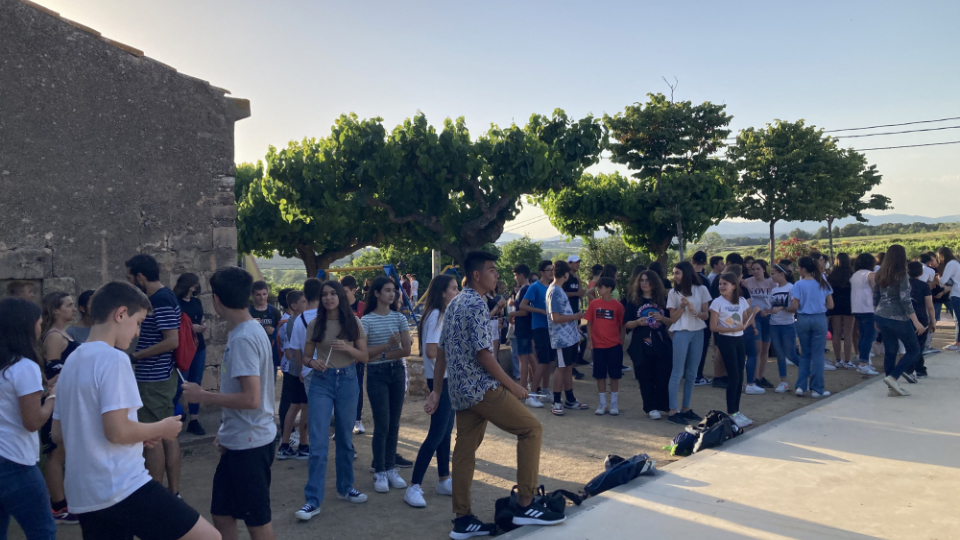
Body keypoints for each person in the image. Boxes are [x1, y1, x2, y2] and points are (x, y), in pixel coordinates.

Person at [53, 281, 219, 540]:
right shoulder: (114, 358)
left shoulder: (72, 359)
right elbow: (117, 431)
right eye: (138, 322)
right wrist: (162, 428)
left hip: (85, 495)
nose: (138, 333)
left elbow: (58, 433)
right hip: (122, 486)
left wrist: (140, 434)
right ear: (120, 314)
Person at [426, 251, 564, 538]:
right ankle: (526, 504)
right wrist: (513, 386)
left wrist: (438, 390)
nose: (496, 275)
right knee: (531, 429)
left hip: (460, 391)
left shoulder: (454, 304)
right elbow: (484, 354)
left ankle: (462, 520)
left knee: (464, 451)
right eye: (492, 271)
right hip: (482, 388)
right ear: (477, 275)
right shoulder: (476, 303)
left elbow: (441, 352)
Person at [181, 267, 277, 540]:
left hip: (251, 444)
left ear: (217, 299)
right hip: (241, 439)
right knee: (222, 513)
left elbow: (251, 398)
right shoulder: (249, 330)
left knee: (257, 523)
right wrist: (226, 432)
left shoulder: (245, 338)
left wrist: (203, 396)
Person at [294, 281, 369, 521]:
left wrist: (347, 347)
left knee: (346, 439)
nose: (328, 298)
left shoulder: (354, 322)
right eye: (324, 294)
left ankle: (345, 488)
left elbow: (364, 356)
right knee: (318, 442)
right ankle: (312, 500)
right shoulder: (316, 324)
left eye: (333, 294)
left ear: (340, 297)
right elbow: (305, 356)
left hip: (347, 380)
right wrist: (310, 362)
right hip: (321, 381)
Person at [0, 298, 58, 540]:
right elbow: (33, 421)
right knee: (42, 531)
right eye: (39, 321)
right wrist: (54, 396)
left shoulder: (7, 365)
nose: (41, 325)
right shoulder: (25, 367)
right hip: (16, 462)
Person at [125, 254, 182, 496]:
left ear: (140, 276)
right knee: (166, 433)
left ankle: (158, 495)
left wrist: (135, 357)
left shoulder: (160, 300)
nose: (128, 282)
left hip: (154, 379)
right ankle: (172, 493)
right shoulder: (161, 297)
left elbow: (172, 341)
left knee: (154, 437)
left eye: (129, 277)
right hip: (159, 377)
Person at [404, 275, 459, 508]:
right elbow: (431, 351)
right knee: (437, 433)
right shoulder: (436, 315)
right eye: (454, 289)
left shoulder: (440, 313)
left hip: (447, 379)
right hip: (441, 380)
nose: (457, 292)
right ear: (442, 292)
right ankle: (414, 486)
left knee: (445, 431)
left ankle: (444, 479)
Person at [362, 277, 412, 494]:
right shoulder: (366, 321)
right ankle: (380, 470)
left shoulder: (399, 317)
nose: (392, 295)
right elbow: (364, 355)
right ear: (376, 293)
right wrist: (387, 347)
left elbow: (407, 350)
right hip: (376, 375)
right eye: (387, 290)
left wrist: (381, 353)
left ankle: (391, 467)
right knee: (382, 423)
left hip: (396, 371)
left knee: (394, 423)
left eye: (394, 291)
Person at [40, 292, 79, 525]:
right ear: (56, 310)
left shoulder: (61, 334)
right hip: (57, 402)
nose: (73, 309)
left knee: (62, 451)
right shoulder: (54, 336)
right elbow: (51, 373)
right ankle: (58, 507)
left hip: (66, 401)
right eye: (69, 305)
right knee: (56, 453)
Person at [873, 245, 925, 397]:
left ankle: (891, 388)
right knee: (914, 349)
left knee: (890, 351)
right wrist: (915, 321)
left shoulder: (880, 273)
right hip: (898, 318)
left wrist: (876, 315)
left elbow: (875, 295)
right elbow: (905, 300)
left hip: (882, 315)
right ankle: (894, 377)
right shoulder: (902, 275)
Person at [710, 272, 759, 429]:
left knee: (740, 376)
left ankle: (737, 411)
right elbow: (713, 326)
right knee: (733, 376)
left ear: (733, 286)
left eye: (725, 284)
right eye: (720, 284)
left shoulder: (742, 301)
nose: (721, 286)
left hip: (739, 339)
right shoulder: (717, 303)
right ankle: (731, 412)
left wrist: (754, 315)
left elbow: (744, 321)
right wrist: (731, 328)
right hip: (726, 340)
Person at [664, 261, 710, 425]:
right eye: (674, 273)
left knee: (692, 373)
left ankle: (686, 408)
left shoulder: (702, 289)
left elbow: (706, 315)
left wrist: (695, 312)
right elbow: (672, 319)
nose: (675, 276)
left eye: (678, 273)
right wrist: (682, 307)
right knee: (677, 372)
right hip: (681, 332)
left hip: (698, 332)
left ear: (686, 273)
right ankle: (672, 410)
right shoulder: (673, 293)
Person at [623, 270, 671, 419]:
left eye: (647, 280)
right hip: (641, 344)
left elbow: (671, 322)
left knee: (662, 374)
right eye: (641, 280)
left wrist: (662, 318)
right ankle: (650, 407)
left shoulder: (663, 299)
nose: (644, 283)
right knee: (645, 376)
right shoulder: (633, 301)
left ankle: (663, 405)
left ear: (654, 282)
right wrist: (638, 322)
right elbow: (626, 324)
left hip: (661, 342)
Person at [285, 279, 323, 460]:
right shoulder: (328, 316)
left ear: (305, 296)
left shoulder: (299, 320)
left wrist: (301, 369)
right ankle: (310, 445)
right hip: (328, 368)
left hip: (308, 370)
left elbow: (296, 350)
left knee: (309, 409)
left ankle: (307, 445)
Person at [546, 260, 588, 416]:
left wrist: (574, 326)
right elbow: (555, 317)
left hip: (568, 337)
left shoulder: (559, 290)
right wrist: (575, 317)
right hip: (561, 338)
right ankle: (557, 401)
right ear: (566, 273)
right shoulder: (555, 291)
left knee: (568, 367)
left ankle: (570, 399)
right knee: (562, 367)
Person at [789, 257, 834, 399]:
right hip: (819, 317)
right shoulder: (822, 282)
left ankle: (801, 386)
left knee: (805, 354)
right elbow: (831, 305)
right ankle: (817, 388)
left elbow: (795, 306)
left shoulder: (798, 284)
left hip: (803, 318)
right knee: (818, 355)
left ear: (803, 269)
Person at [172, 274, 208, 436]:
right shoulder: (176, 303)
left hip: (198, 346)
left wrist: (202, 325)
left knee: (196, 382)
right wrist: (190, 328)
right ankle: (172, 416)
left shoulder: (197, 301)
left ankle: (194, 419)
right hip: (184, 348)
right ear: (189, 285)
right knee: (181, 383)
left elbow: (200, 317)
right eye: (195, 284)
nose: (197, 287)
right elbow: (176, 325)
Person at [585, 277, 625, 416]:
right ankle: (602, 403)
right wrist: (590, 340)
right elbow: (589, 322)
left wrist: (622, 342)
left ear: (609, 289)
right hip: (598, 346)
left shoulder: (618, 306)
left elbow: (622, 325)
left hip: (614, 345)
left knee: (615, 375)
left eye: (600, 287)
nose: (598, 289)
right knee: (599, 375)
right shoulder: (594, 304)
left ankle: (614, 402)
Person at [522, 260, 556, 406]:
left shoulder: (552, 287)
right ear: (541, 272)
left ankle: (546, 391)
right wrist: (540, 310)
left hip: (551, 328)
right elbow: (523, 305)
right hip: (539, 327)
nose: (551, 272)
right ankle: (533, 394)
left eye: (552, 269)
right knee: (542, 361)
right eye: (548, 270)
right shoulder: (534, 287)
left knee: (549, 361)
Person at [277, 289, 307, 449]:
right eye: (303, 302)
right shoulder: (289, 323)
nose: (306, 304)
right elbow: (289, 352)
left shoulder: (295, 320)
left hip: (295, 368)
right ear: (294, 305)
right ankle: (293, 439)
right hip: (293, 368)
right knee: (292, 403)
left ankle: (287, 439)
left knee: (294, 403)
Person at [340, 276, 368, 435]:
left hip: (357, 354)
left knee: (357, 387)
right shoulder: (338, 307)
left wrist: (358, 351)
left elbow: (364, 333)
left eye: (344, 292)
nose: (341, 295)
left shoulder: (362, 307)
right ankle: (342, 421)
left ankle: (357, 420)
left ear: (354, 290)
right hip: (341, 354)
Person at [742, 260, 775, 393]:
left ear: (763, 270)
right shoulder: (747, 282)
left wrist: (770, 310)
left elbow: (775, 299)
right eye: (753, 269)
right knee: (757, 347)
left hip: (768, 316)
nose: (755, 271)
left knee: (766, 348)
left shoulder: (771, 283)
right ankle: (754, 377)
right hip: (754, 317)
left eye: (758, 269)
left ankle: (760, 376)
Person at [508, 265, 536, 403]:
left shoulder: (524, 289)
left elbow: (524, 311)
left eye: (515, 275)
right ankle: (536, 385)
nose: (515, 278)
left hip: (522, 327)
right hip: (527, 327)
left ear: (520, 275)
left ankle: (523, 388)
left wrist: (511, 313)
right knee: (530, 357)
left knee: (523, 359)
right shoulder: (529, 288)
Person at [767, 263, 798, 393]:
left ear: (782, 274)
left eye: (773, 273)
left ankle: (808, 374)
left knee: (791, 354)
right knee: (779, 355)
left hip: (787, 325)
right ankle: (783, 381)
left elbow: (794, 309)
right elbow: (771, 307)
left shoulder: (792, 288)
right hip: (774, 325)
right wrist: (766, 311)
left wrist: (782, 308)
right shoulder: (774, 290)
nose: (771, 276)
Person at [850, 254, 880, 375]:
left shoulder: (855, 275)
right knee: (869, 337)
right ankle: (863, 363)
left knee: (863, 336)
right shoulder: (870, 275)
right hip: (869, 308)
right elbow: (876, 291)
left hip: (857, 308)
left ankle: (864, 361)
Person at [906, 261, 935, 379]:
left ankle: (918, 368)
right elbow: (930, 306)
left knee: (910, 344)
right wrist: (933, 321)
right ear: (921, 272)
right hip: (921, 317)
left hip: (906, 317)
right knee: (919, 345)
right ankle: (913, 368)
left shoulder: (904, 285)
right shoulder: (924, 285)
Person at [827, 254, 856, 370]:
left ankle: (838, 359)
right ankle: (848, 360)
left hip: (835, 305)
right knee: (848, 333)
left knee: (836, 333)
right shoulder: (851, 275)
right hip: (849, 305)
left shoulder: (831, 276)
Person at [249, 281, 281, 375]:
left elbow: (283, 332)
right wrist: (250, 324)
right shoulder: (248, 312)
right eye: (258, 295)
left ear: (268, 293)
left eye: (264, 294)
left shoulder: (274, 312)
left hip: (270, 352)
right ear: (252, 295)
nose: (262, 297)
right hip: (253, 351)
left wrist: (274, 331)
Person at [937, 247, 960, 351]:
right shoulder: (956, 263)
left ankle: (958, 343)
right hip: (956, 293)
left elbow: (943, 281)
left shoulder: (951, 264)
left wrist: (938, 279)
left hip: (957, 294)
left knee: (958, 319)